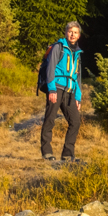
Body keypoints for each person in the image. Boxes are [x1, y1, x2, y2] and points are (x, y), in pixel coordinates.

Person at [40, 21, 83, 161]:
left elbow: (78, 77)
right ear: (66, 33)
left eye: (75, 32)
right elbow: (50, 68)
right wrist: (51, 89)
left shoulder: (77, 52)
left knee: (75, 121)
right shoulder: (59, 47)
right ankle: (47, 152)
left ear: (79, 35)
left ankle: (67, 154)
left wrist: (78, 97)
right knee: (50, 119)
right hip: (56, 87)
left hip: (70, 91)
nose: (72, 34)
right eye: (70, 31)